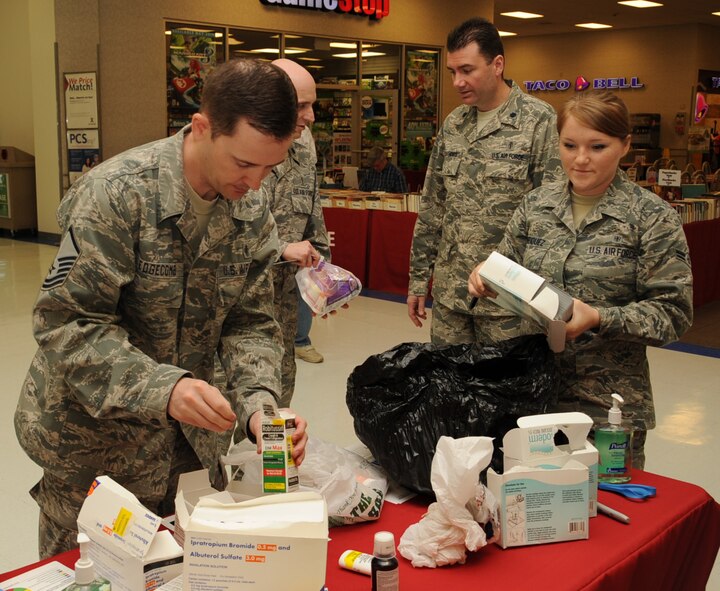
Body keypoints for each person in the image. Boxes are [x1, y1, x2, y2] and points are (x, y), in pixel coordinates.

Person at [14, 58, 309, 558]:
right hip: (94, 449)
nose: (256, 184)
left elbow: (251, 321)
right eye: (243, 163)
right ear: (201, 127)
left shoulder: (250, 208)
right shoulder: (114, 194)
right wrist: (164, 386)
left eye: (270, 167)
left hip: (187, 449)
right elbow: (67, 324)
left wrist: (260, 409)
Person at [468, 91, 693, 468]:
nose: (581, 159)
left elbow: (673, 313)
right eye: (569, 145)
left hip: (610, 408)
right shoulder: (536, 205)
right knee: (537, 506)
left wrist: (601, 318)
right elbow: (504, 264)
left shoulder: (652, 218)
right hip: (535, 395)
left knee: (611, 515)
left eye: (597, 146)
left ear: (625, 145)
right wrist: (483, 276)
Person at [407, 17, 562, 346]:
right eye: (452, 72)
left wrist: (539, 293)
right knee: (448, 389)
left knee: (503, 394)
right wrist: (418, 280)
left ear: (497, 65)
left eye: (467, 70)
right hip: (452, 295)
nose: (457, 81)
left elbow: (550, 215)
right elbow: (433, 206)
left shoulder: (538, 120)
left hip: (507, 300)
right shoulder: (454, 124)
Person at [267, 58, 331, 403]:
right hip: (235, 314)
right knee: (222, 417)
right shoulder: (232, 162)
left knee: (277, 410)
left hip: (285, 310)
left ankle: (268, 459)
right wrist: (281, 249)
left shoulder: (302, 158)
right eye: (303, 106)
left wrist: (328, 278)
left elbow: (313, 223)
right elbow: (220, 238)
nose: (311, 117)